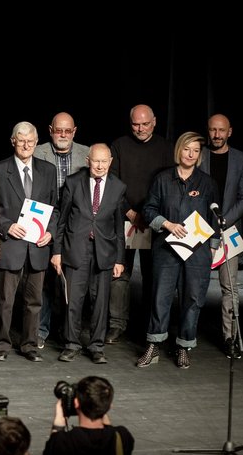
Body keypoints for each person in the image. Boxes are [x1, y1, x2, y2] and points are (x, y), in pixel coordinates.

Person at [136, 132, 219, 369]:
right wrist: (167, 224)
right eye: (186, 149)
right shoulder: (163, 179)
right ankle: (153, 345)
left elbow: (214, 216)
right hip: (166, 248)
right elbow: (149, 209)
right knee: (160, 296)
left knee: (192, 298)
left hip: (198, 250)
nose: (191, 154)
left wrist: (213, 247)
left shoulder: (207, 183)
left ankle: (183, 346)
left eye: (195, 150)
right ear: (178, 151)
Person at [0, 122, 58, 362]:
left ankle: (29, 344)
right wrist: (7, 226)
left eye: (30, 140)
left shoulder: (48, 170)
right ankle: (1, 344)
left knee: (34, 301)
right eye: (21, 140)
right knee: (5, 301)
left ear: (37, 142)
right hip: (11, 245)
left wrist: (50, 231)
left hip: (38, 246)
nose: (26, 145)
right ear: (13, 142)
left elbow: (54, 208)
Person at [51, 144, 126, 364]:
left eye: (104, 161)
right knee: (73, 300)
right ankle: (72, 344)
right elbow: (61, 220)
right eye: (96, 161)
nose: (100, 166)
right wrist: (57, 252)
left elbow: (119, 227)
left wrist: (120, 259)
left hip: (104, 251)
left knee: (100, 302)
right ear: (88, 160)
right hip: (76, 250)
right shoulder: (73, 183)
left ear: (110, 162)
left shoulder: (118, 187)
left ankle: (96, 346)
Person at [106, 104, 174, 344]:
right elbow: (111, 182)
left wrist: (150, 214)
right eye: (136, 124)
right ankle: (116, 324)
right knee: (119, 274)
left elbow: (169, 185)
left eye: (145, 124)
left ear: (154, 122)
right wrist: (130, 212)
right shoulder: (119, 146)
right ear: (130, 123)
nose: (141, 128)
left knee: (153, 275)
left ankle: (148, 326)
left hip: (153, 223)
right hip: (125, 219)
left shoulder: (166, 147)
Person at [33, 112, 90, 348]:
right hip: (44, 223)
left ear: (74, 131)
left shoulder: (87, 154)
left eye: (68, 131)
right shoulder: (37, 153)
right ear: (50, 130)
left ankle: (68, 329)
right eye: (59, 130)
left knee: (73, 280)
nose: (63, 135)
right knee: (43, 280)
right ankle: (41, 329)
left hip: (76, 225)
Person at [199, 114, 243, 359]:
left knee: (229, 288)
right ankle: (186, 336)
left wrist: (223, 221)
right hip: (200, 229)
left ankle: (230, 337)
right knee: (193, 284)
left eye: (221, 130)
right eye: (212, 130)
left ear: (229, 132)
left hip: (228, 231)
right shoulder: (199, 155)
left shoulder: (241, 159)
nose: (216, 135)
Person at [43, 376, 134, 455]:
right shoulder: (122, 437)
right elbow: (109, 432)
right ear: (109, 407)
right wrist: (100, 405)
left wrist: (59, 419)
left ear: (76, 403)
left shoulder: (63, 442)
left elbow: (52, 449)